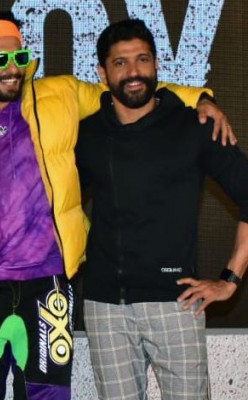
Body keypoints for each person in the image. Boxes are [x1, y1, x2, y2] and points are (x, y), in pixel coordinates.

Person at [0, 11, 230, 400]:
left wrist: (199, 98)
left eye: (19, 57)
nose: (13, 68)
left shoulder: (60, 95)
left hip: (47, 283)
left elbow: (128, 87)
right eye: (0, 59)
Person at [75, 18, 248, 400]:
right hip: (105, 308)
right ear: (102, 74)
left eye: (142, 59)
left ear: (156, 65)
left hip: (176, 303)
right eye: (120, 63)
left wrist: (230, 280)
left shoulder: (195, 126)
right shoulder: (87, 134)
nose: (133, 72)